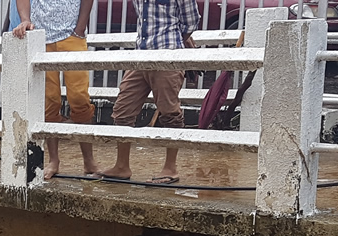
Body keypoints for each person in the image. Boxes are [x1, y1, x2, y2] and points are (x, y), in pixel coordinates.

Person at [90, 0, 199, 184]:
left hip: (168, 54)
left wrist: (176, 42)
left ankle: (170, 168)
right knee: (123, 109)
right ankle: (122, 165)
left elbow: (191, 21)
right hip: (141, 54)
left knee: (170, 112)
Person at [13, 0, 98, 179]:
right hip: (40, 36)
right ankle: (53, 160)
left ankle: (89, 161)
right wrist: (25, 19)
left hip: (72, 35)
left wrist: (80, 28)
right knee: (48, 101)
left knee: (79, 97)